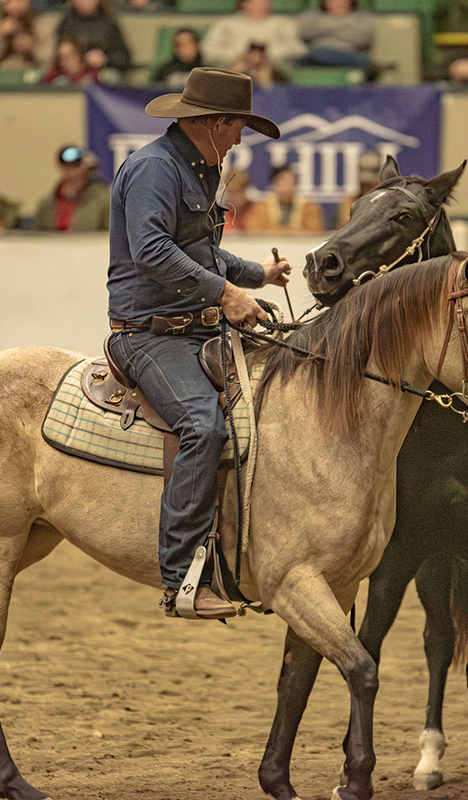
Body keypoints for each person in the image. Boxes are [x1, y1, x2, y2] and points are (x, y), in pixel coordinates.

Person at [107, 68, 291, 620]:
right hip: (147, 334)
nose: (240, 140)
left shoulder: (194, 167)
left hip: (196, 328)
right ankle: (181, 576)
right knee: (202, 425)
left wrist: (256, 275)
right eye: (237, 128)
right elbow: (153, 252)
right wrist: (229, 293)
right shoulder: (152, 170)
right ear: (214, 123)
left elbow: (203, 254)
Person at [201, 0, 307, 72]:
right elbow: (208, 50)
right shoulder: (225, 24)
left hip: (274, 71)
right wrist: (240, 56)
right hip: (234, 68)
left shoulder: (283, 24)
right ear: (243, 3)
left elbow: (299, 49)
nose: (261, 3)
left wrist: (267, 56)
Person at [34, 145, 109, 231]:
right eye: (69, 167)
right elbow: (39, 235)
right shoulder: (47, 204)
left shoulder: (102, 200)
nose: (75, 172)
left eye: (78, 166)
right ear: (62, 168)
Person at [55, 0, 131, 76]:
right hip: (69, 74)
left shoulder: (109, 24)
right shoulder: (67, 23)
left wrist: (105, 60)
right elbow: (56, 55)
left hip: (103, 73)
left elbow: (124, 58)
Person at [245, 163, 326, 233]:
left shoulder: (309, 208)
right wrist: (288, 232)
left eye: (291, 181)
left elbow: (316, 232)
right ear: (274, 183)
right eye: (283, 181)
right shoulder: (261, 208)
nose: (288, 185)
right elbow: (253, 232)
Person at [297, 0, 375, 71]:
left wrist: (324, 31)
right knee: (310, 55)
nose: (340, 2)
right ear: (325, 2)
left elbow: (363, 38)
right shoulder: (311, 16)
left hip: (349, 54)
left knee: (364, 61)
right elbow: (305, 32)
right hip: (316, 57)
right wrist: (345, 25)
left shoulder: (362, 17)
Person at [0, 0, 42, 71]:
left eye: (24, 1)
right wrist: (1, 35)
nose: (20, 5)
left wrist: (32, 48)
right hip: (0, 71)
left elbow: (46, 58)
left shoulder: (37, 22)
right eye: (15, 1)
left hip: (29, 70)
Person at [335, 151, 382, 228]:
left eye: (370, 184)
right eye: (364, 183)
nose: (366, 186)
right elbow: (346, 226)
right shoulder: (350, 201)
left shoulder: (389, 202)